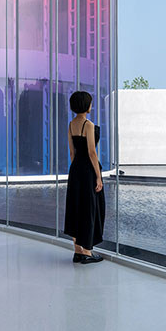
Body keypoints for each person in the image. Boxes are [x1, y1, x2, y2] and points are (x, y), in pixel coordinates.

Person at [63, 90, 105, 264]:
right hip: (88, 170)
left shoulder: (72, 124)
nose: (91, 105)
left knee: (76, 207)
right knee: (90, 208)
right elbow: (92, 152)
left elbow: (72, 152)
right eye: (90, 102)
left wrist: (76, 170)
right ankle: (87, 252)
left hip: (76, 170)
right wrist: (98, 177)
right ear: (86, 105)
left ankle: (77, 251)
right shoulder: (88, 124)